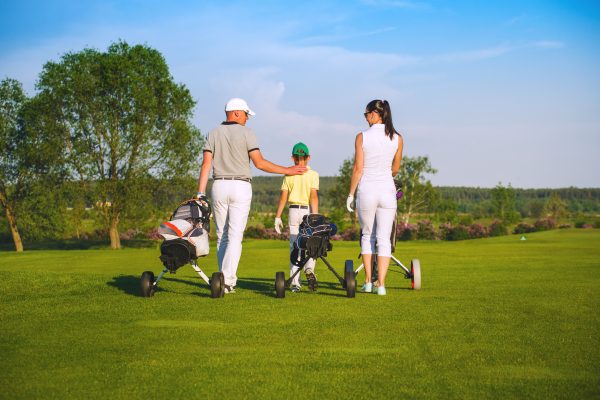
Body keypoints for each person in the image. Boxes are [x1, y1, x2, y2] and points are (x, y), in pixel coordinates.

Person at [196, 98, 306, 293]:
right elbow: (260, 163)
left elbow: (206, 165)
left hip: (218, 185)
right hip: (240, 186)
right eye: (246, 114)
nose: (247, 118)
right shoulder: (247, 133)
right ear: (237, 112)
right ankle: (227, 281)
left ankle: (222, 279)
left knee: (222, 236)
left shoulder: (213, 133)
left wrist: (200, 193)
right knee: (235, 236)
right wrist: (287, 170)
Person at [346, 100, 403, 295]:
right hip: (387, 192)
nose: (365, 118)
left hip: (367, 191)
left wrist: (350, 194)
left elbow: (358, 169)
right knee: (384, 239)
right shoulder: (397, 138)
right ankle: (382, 284)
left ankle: (369, 282)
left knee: (367, 235)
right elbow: (395, 169)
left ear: (374, 114)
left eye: (366, 114)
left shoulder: (362, 137)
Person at [274, 142, 320, 292]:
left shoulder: (288, 174)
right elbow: (313, 197)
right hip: (307, 211)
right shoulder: (313, 175)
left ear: (293, 157)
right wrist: (315, 216)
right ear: (308, 157)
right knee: (311, 243)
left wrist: (277, 217)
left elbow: (283, 198)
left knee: (295, 246)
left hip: (293, 211)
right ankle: (310, 269)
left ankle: (295, 284)